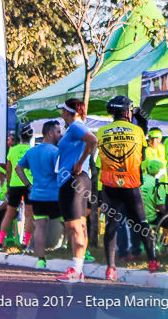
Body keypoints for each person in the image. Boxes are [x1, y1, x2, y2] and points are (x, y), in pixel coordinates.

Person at [95, 95, 158, 279]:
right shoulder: (137, 131)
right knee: (142, 222)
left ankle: (111, 268)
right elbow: (143, 157)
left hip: (109, 185)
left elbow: (100, 161)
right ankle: (152, 261)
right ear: (127, 112)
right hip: (131, 184)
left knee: (112, 225)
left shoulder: (101, 132)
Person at [55, 98, 97, 283]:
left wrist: (80, 162)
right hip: (78, 180)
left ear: (68, 112)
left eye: (63, 111)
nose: (61, 115)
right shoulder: (74, 127)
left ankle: (76, 269)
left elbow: (92, 140)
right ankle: (78, 269)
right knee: (78, 224)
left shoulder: (75, 126)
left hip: (74, 179)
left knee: (73, 225)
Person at [16, 120, 62, 270]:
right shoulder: (56, 152)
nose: (60, 135)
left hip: (37, 195)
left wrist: (28, 185)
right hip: (54, 195)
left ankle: (41, 260)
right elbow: (61, 173)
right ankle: (78, 251)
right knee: (69, 224)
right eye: (58, 132)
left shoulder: (32, 151)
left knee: (40, 226)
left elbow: (18, 168)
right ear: (50, 133)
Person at [0, 128, 33, 249]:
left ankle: (0, 242)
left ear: (20, 137)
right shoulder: (32, 150)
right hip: (29, 184)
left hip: (14, 184)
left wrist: (8, 186)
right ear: (31, 137)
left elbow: (8, 170)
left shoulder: (12, 150)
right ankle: (26, 243)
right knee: (29, 214)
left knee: (9, 213)